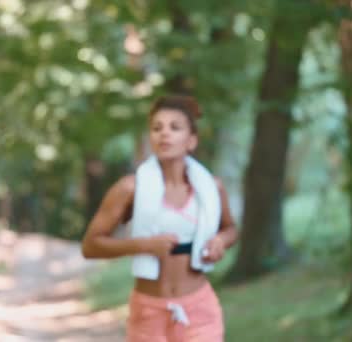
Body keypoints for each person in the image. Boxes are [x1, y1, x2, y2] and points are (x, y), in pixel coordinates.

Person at [81, 94, 238, 342]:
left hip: (199, 309)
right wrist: (144, 245)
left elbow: (231, 229)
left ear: (191, 141)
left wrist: (220, 241)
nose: (164, 133)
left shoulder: (211, 188)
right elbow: (90, 246)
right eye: (157, 128)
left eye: (175, 127)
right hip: (148, 311)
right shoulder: (130, 188)